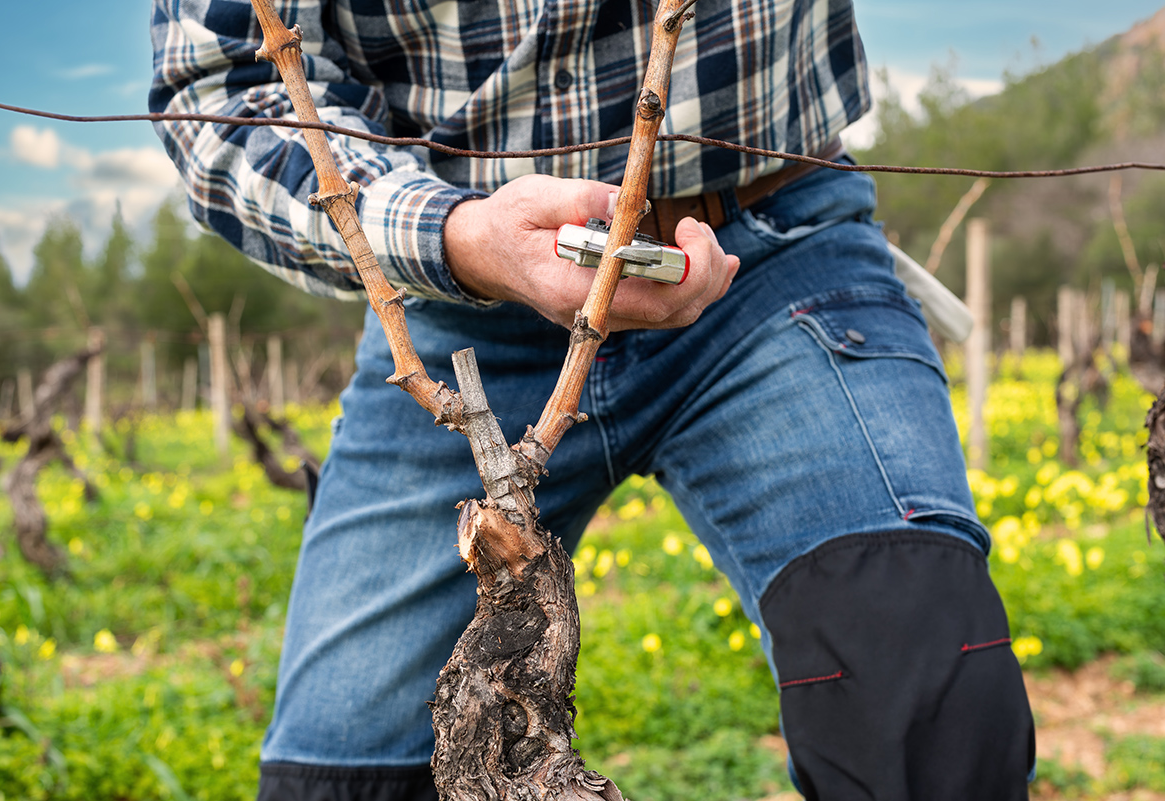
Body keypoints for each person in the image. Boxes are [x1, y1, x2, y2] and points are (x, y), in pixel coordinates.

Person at [151, 0, 1036, 798]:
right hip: (459, 302)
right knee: (336, 779)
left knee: (929, 702)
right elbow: (224, 88)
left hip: (766, 252)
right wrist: (458, 238)